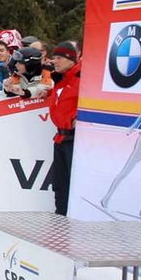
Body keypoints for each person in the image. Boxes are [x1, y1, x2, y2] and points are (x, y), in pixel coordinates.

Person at [47, 41, 81, 216]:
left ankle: (71, 219)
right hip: (60, 138)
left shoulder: (81, 78)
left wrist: (78, 120)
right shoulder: (59, 79)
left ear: (70, 59)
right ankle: (60, 217)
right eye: (54, 58)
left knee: (72, 185)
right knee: (59, 184)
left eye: (59, 58)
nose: (55, 61)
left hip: (74, 139)